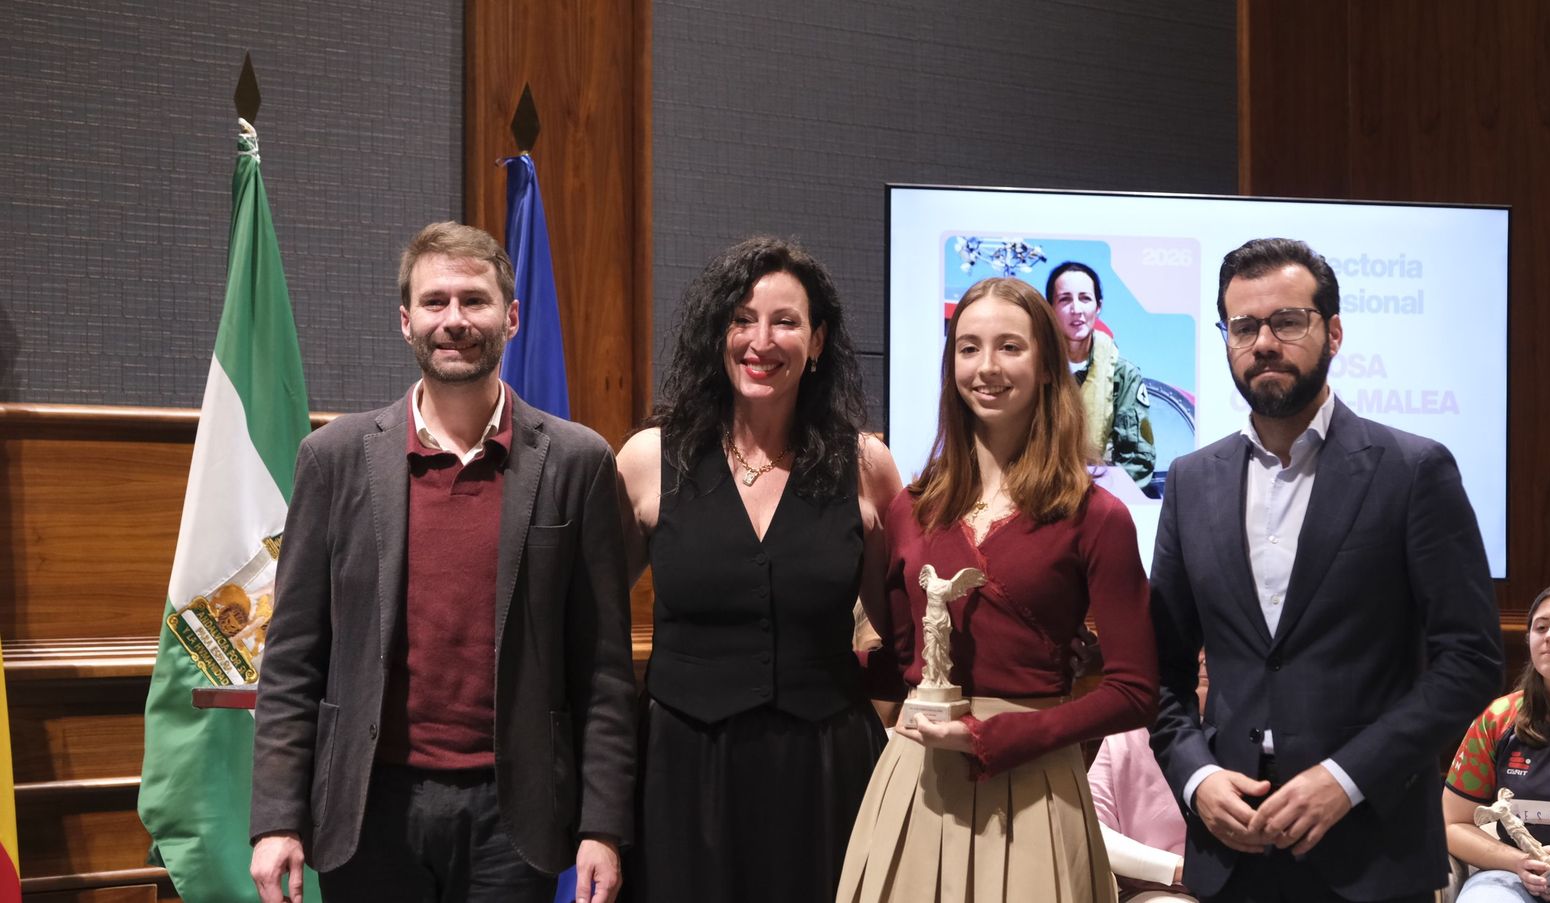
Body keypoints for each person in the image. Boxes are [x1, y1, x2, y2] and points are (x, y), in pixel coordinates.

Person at [248, 222, 636, 903]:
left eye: (474, 300)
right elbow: (292, 657)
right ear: (406, 322)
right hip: (369, 809)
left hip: (514, 815)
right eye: (435, 302)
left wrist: (602, 825)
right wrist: (277, 817)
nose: (454, 319)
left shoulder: (578, 463)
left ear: (511, 318)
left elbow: (603, 667)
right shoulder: (334, 459)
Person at [1147, 237, 1503, 902]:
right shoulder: (1192, 481)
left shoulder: (1413, 470)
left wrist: (1346, 776)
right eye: (1244, 326)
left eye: (1287, 321)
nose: (1263, 343)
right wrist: (1197, 777)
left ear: (1333, 331)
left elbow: (1472, 657)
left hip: (1371, 848)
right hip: (1233, 845)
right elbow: (1160, 671)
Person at [837, 276, 1158, 902]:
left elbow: (1135, 692)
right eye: (968, 347)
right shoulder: (912, 507)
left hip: (1035, 786)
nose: (986, 367)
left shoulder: (1098, 517)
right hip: (917, 783)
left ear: (1046, 365)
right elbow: (903, 664)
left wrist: (999, 737)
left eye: (1010, 347)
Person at [615, 236, 901, 902]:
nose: (760, 340)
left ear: (819, 340)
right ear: (719, 333)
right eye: (742, 319)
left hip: (827, 770)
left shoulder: (867, 466)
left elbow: (907, 636)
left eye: (785, 321)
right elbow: (590, 628)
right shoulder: (648, 459)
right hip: (681, 772)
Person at [1443, 578, 1550, 902]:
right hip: (1512, 869)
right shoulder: (1498, 718)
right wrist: (1517, 861)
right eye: (1541, 627)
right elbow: (1451, 823)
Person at [1089, 654, 1207, 903]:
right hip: (1159, 888)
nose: (1202, 658)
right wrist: (1177, 868)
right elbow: (1092, 829)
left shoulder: (1252, 737)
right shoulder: (1126, 736)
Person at [1045, 261, 1156, 491]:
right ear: (1050, 308)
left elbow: (1138, 460)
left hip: (1102, 503)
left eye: (1085, 298)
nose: (1076, 309)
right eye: (1065, 299)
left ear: (1098, 306)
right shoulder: (1032, 372)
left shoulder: (1123, 375)